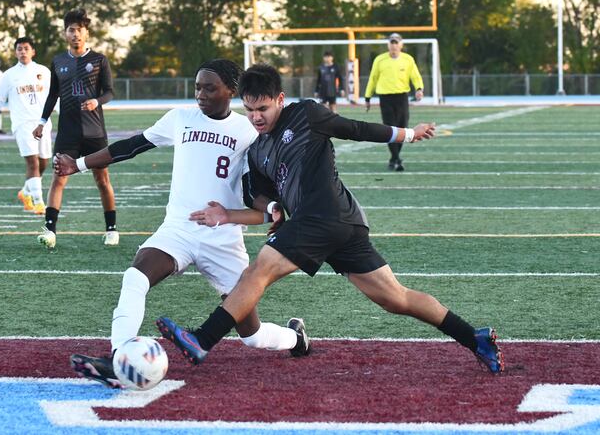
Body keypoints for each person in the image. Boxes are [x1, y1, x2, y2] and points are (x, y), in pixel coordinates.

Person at [156, 64, 504, 375]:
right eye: (249, 110)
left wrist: (408, 134)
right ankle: (475, 338)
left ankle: (201, 339)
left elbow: (354, 128)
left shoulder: (305, 114)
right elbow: (266, 202)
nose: (256, 117)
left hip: (325, 216)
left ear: (280, 99)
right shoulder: (257, 150)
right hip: (338, 223)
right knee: (394, 298)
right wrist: (270, 212)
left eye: (263, 108)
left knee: (257, 272)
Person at [53, 59, 309, 389]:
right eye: (198, 86)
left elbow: (252, 191)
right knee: (134, 278)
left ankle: (295, 337)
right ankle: (119, 359)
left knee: (252, 336)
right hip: (179, 229)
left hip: (223, 240)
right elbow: (132, 146)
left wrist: (272, 207)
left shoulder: (247, 131)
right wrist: (79, 164)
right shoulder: (180, 118)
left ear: (231, 91)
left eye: (209, 87)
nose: (200, 94)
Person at [33, 8, 118, 248]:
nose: (76, 34)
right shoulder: (59, 61)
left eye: (80, 30)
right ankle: (50, 231)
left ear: (87, 33)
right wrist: (41, 122)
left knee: (102, 180)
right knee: (58, 178)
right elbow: (52, 95)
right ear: (65, 33)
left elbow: (110, 91)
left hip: (94, 132)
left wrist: (97, 101)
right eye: (71, 30)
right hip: (67, 132)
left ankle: (111, 229)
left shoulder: (99, 60)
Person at [0, 37, 52, 215]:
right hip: (22, 124)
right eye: (19, 49)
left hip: (43, 123)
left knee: (43, 162)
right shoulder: (8, 75)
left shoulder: (43, 71)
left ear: (33, 51)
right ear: (15, 53)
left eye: (26, 48)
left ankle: (26, 192)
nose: (22, 52)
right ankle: (38, 203)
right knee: (33, 162)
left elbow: (53, 98)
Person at [364, 33, 424, 172]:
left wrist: (419, 89)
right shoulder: (380, 60)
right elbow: (373, 79)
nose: (394, 45)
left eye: (396, 42)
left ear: (401, 44)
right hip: (385, 98)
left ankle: (394, 158)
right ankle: (396, 159)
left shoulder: (408, 59)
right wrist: (367, 97)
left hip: (402, 97)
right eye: (392, 42)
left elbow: (415, 76)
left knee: (403, 127)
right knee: (390, 128)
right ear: (388, 44)